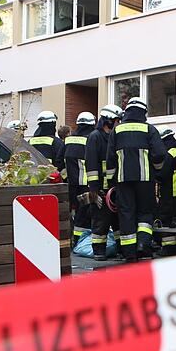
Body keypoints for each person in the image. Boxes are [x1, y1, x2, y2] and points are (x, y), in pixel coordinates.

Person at [105, 97, 166, 262]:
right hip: (145, 180)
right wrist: (157, 170)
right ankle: (143, 245)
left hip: (123, 181)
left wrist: (111, 181)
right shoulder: (149, 129)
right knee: (145, 213)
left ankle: (129, 253)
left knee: (126, 214)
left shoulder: (117, 131)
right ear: (143, 112)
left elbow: (110, 159)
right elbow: (160, 154)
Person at [86, 104, 122, 261]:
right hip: (100, 189)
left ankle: (122, 250)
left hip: (115, 187)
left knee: (118, 221)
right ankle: (99, 251)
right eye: (116, 120)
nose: (118, 123)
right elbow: (91, 164)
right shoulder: (95, 136)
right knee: (101, 221)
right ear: (108, 121)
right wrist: (94, 189)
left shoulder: (114, 136)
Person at [64, 112, 95, 247]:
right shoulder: (91, 139)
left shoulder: (68, 139)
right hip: (86, 185)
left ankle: (70, 240)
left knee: (71, 212)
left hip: (71, 185)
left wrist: (67, 177)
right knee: (84, 214)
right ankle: (79, 242)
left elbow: (60, 162)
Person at [153, 127, 176, 256]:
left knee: (165, 219)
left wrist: (154, 176)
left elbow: (163, 173)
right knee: (175, 219)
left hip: (168, 190)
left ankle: (168, 247)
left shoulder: (168, 153)